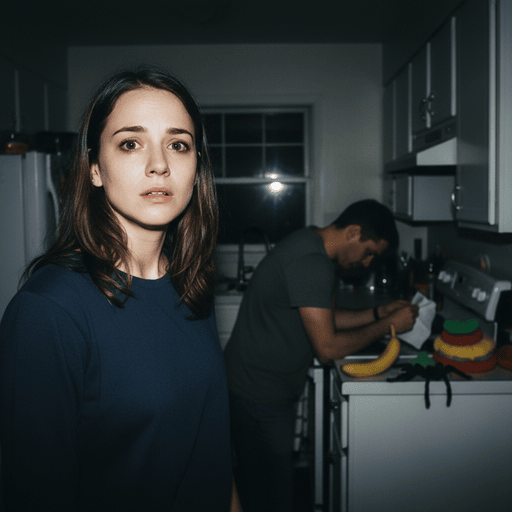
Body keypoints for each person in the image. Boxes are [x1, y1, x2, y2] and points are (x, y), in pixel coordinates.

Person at [0, 67, 241, 511]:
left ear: (196, 169)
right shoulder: (48, 312)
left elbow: (209, 448)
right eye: (131, 143)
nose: (159, 164)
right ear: (95, 168)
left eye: (178, 144)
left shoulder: (190, 284)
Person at [224, 199, 419, 512]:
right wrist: (386, 325)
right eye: (369, 252)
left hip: (256, 388)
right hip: (258, 396)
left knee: (263, 488)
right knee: (272, 499)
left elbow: (324, 318)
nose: (368, 263)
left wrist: (379, 312)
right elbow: (327, 349)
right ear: (353, 232)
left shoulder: (312, 245)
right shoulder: (312, 262)